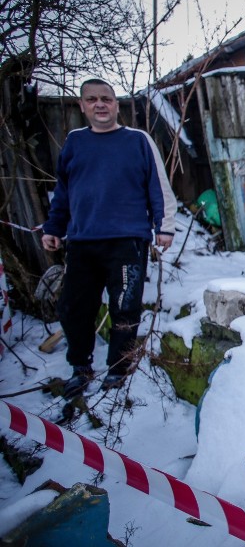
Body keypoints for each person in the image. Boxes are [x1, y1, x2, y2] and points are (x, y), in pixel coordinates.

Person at [41, 78, 177, 397]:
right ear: (82, 106)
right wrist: (53, 228)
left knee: (124, 307)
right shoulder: (75, 143)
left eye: (106, 99)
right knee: (74, 308)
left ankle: (118, 369)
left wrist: (165, 226)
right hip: (83, 241)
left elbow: (158, 187)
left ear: (116, 104)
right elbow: (63, 192)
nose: (100, 104)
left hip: (127, 241)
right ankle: (81, 368)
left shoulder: (138, 141)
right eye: (92, 99)